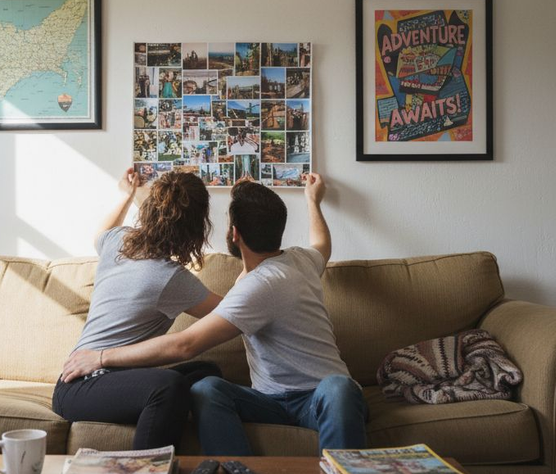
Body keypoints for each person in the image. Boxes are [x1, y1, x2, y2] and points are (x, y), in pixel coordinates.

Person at [62, 174, 367, 455]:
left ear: (234, 234)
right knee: (204, 386)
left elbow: (190, 340)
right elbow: (322, 245)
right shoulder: (303, 261)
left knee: (337, 386)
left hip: (321, 399)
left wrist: (128, 196)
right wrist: (313, 201)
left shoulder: (118, 240)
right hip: (267, 400)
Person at [52, 168, 223, 450]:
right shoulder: (171, 278)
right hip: (82, 384)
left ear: (148, 210)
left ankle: (163, 413)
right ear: (196, 226)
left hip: (91, 382)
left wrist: (126, 195)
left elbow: (100, 233)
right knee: (169, 385)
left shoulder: (118, 242)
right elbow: (231, 312)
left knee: (206, 371)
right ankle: (144, 469)